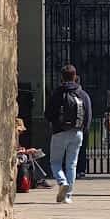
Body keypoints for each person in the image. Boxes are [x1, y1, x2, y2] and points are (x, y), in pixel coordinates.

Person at [44, 64, 91, 204]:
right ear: (75, 77)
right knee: (72, 164)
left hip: (59, 131)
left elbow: (48, 113)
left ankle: (62, 181)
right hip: (77, 132)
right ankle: (68, 195)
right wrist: (84, 130)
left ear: (62, 77)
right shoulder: (82, 93)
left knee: (55, 162)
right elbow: (88, 115)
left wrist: (54, 123)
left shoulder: (57, 93)